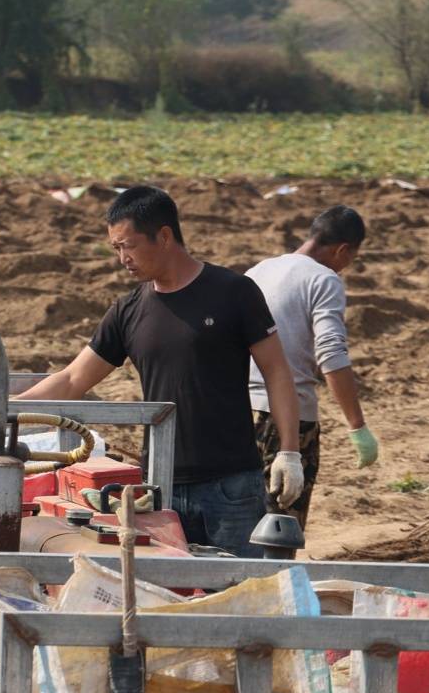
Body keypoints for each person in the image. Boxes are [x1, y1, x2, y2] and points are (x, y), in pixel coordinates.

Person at [17, 186, 306, 557]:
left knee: (240, 589)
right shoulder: (128, 310)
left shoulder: (234, 292)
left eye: (129, 245)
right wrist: (6, 409)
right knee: (171, 594)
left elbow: (277, 372)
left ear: (165, 236)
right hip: (159, 486)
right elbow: (73, 379)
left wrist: (290, 452)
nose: (122, 258)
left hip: (231, 485)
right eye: (116, 248)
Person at [246, 205, 381, 526]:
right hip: (288, 420)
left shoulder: (258, 270)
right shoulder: (323, 280)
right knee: (279, 527)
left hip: (234, 410)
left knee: (239, 518)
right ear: (343, 249)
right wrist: (357, 426)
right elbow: (332, 355)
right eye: (351, 259)